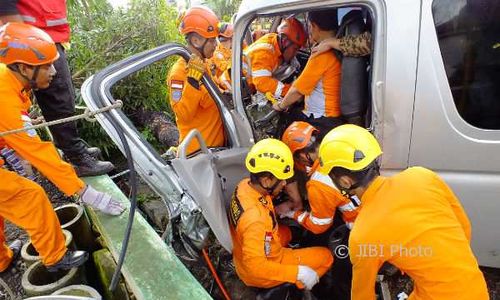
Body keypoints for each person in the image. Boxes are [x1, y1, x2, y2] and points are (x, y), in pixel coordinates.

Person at [0, 23, 123, 274]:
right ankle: (55, 257)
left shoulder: (8, 80)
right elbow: (39, 154)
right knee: (30, 197)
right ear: (24, 68)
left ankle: (1, 260)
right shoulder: (4, 96)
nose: (54, 71)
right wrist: (85, 192)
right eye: (46, 66)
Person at [318, 124, 489, 299]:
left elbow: (362, 296)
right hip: (475, 286)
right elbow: (465, 227)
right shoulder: (421, 176)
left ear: (345, 182)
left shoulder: (362, 235)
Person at [0, 0, 115, 177]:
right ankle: (76, 156)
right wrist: (24, 44)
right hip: (33, 43)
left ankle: (73, 148)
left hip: (46, 38)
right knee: (58, 99)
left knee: (64, 97)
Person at [229, 138, 333, 291]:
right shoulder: (256, 221)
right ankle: (297, 288)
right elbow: (256, 268)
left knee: (294, 232)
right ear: (266, 180)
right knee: (326, 257)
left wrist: (287, 206)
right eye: (281, 179)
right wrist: (298, 273)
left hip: (258, 245)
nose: (285, 183)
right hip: (260, 270)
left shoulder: (244, 185)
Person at [278, 121, 359, 233]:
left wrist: (291, 214)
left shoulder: (319, 183)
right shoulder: (341, 144)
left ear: (301, 156)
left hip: (361, 226)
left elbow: (319, 225)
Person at [273, 10, 343, 137]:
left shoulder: (322, 54)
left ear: (313, 26)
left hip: (321, 120)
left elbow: (297, 91)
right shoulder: (338, 48)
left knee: (285, 124)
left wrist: (280, 106)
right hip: (334, 117)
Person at [167, 6, 225, 155]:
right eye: (212, 40)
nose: (216, 45)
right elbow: (182, 114)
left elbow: (211, 94)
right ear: (196, 40)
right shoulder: (178, 73)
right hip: (199, 154)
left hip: (216, 148)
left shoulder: (203, 63)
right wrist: (192, 82)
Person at [244, 16, 307, 100]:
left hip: (250, 87)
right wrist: (291, 92)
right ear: (285, 41)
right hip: (234, 90)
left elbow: (293, 65)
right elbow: (262, 83)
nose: (295, 54)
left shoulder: (276, 41)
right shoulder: (263, 52)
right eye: (295, 49)